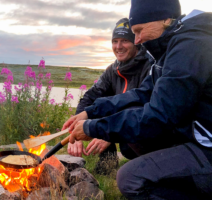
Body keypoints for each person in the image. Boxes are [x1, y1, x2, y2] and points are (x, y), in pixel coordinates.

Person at [63, 0, 212, 199]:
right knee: (131, 138)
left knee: (130, 178)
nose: (138, 40)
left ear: (165, 19)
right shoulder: (171, 48)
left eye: (140, 30)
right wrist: (90, 112)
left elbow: (158, 115)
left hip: (206, 145)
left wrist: (93, 128)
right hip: (194, 137)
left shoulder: (191, 45)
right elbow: (142, 93)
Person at [68, 18, 150, 174]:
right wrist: (76, 127)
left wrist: (109, 133)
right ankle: (108, 163)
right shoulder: (112, 70)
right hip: (123, 129)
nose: (118, 47)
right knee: (98, 107)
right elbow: (90, 97)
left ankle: (150, 168)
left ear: (136, 42)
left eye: (125, 40)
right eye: (115, 41)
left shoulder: (149, 66)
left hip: (145, 133)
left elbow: (144, 112)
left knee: (119, 114)